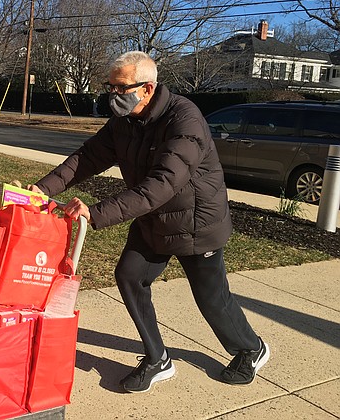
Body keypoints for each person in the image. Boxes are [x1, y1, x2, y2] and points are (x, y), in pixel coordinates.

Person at [27, 51, 269, 393]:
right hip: (153, 219)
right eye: (110, 87)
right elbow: (87, 158)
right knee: (129, 276)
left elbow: (162, 185)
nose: (114, 95)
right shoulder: (124, 122)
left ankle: (250, 348)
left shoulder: (185, 120)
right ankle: (157, 358)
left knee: (211, 297)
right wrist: (43, 188)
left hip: (195, 222)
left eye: (121, 87)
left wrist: (95, 214)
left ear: (147, 88)